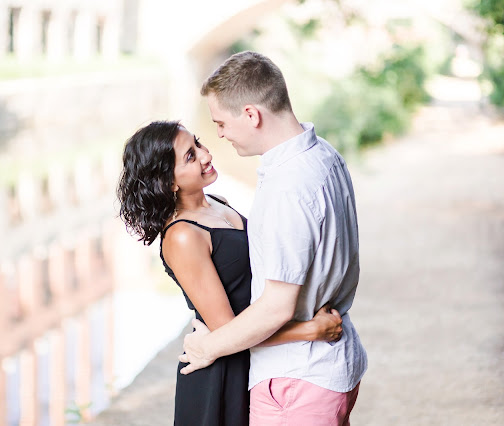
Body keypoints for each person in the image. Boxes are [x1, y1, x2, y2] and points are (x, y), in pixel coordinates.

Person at [179, 51, 368, 425]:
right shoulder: (323, 154)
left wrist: (207, 348)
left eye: (220, 123)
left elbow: (277, 307)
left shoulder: (287, 188)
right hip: (329, 366)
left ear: (251, 114)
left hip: (297, 380)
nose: (218, 135)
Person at [117, 120, 344, 425]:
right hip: (221, 375)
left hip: (253, 356)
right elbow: (226, 331)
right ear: (169, 182)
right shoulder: (183, 236)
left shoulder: (218, 202)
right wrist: (311, 331)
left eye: (197, 143)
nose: (205, 154)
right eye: (190, 156)